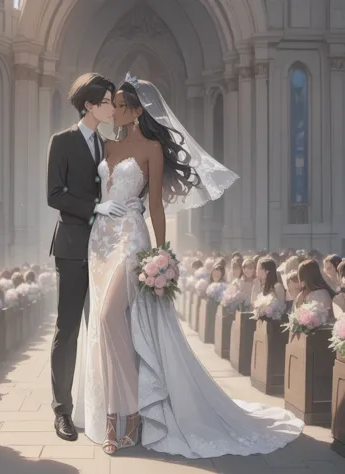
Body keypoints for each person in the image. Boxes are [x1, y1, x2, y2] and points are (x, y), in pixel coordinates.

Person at [72, 73, 303, 457]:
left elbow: (157, 207)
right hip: (100, 243)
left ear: (136, 110)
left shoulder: (151, 149)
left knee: (111, 317)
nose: (112, 110)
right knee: (104, 325)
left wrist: (160, 256)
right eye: (110, 104)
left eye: (119, 105)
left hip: (131, 239)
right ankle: (116, 412)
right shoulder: (105, 147)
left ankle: (127, 419)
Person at [47, 72, 128, 442]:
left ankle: (99, 408)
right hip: (71, 248)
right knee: (68, 331)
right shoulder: (62, 141)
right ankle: (62, 411)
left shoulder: (108, 144)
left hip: (104, 251)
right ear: (90, 105)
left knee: (102, 329)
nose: (114, 106)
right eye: (108, 101)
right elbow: (55, 195)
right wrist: (96, 207)